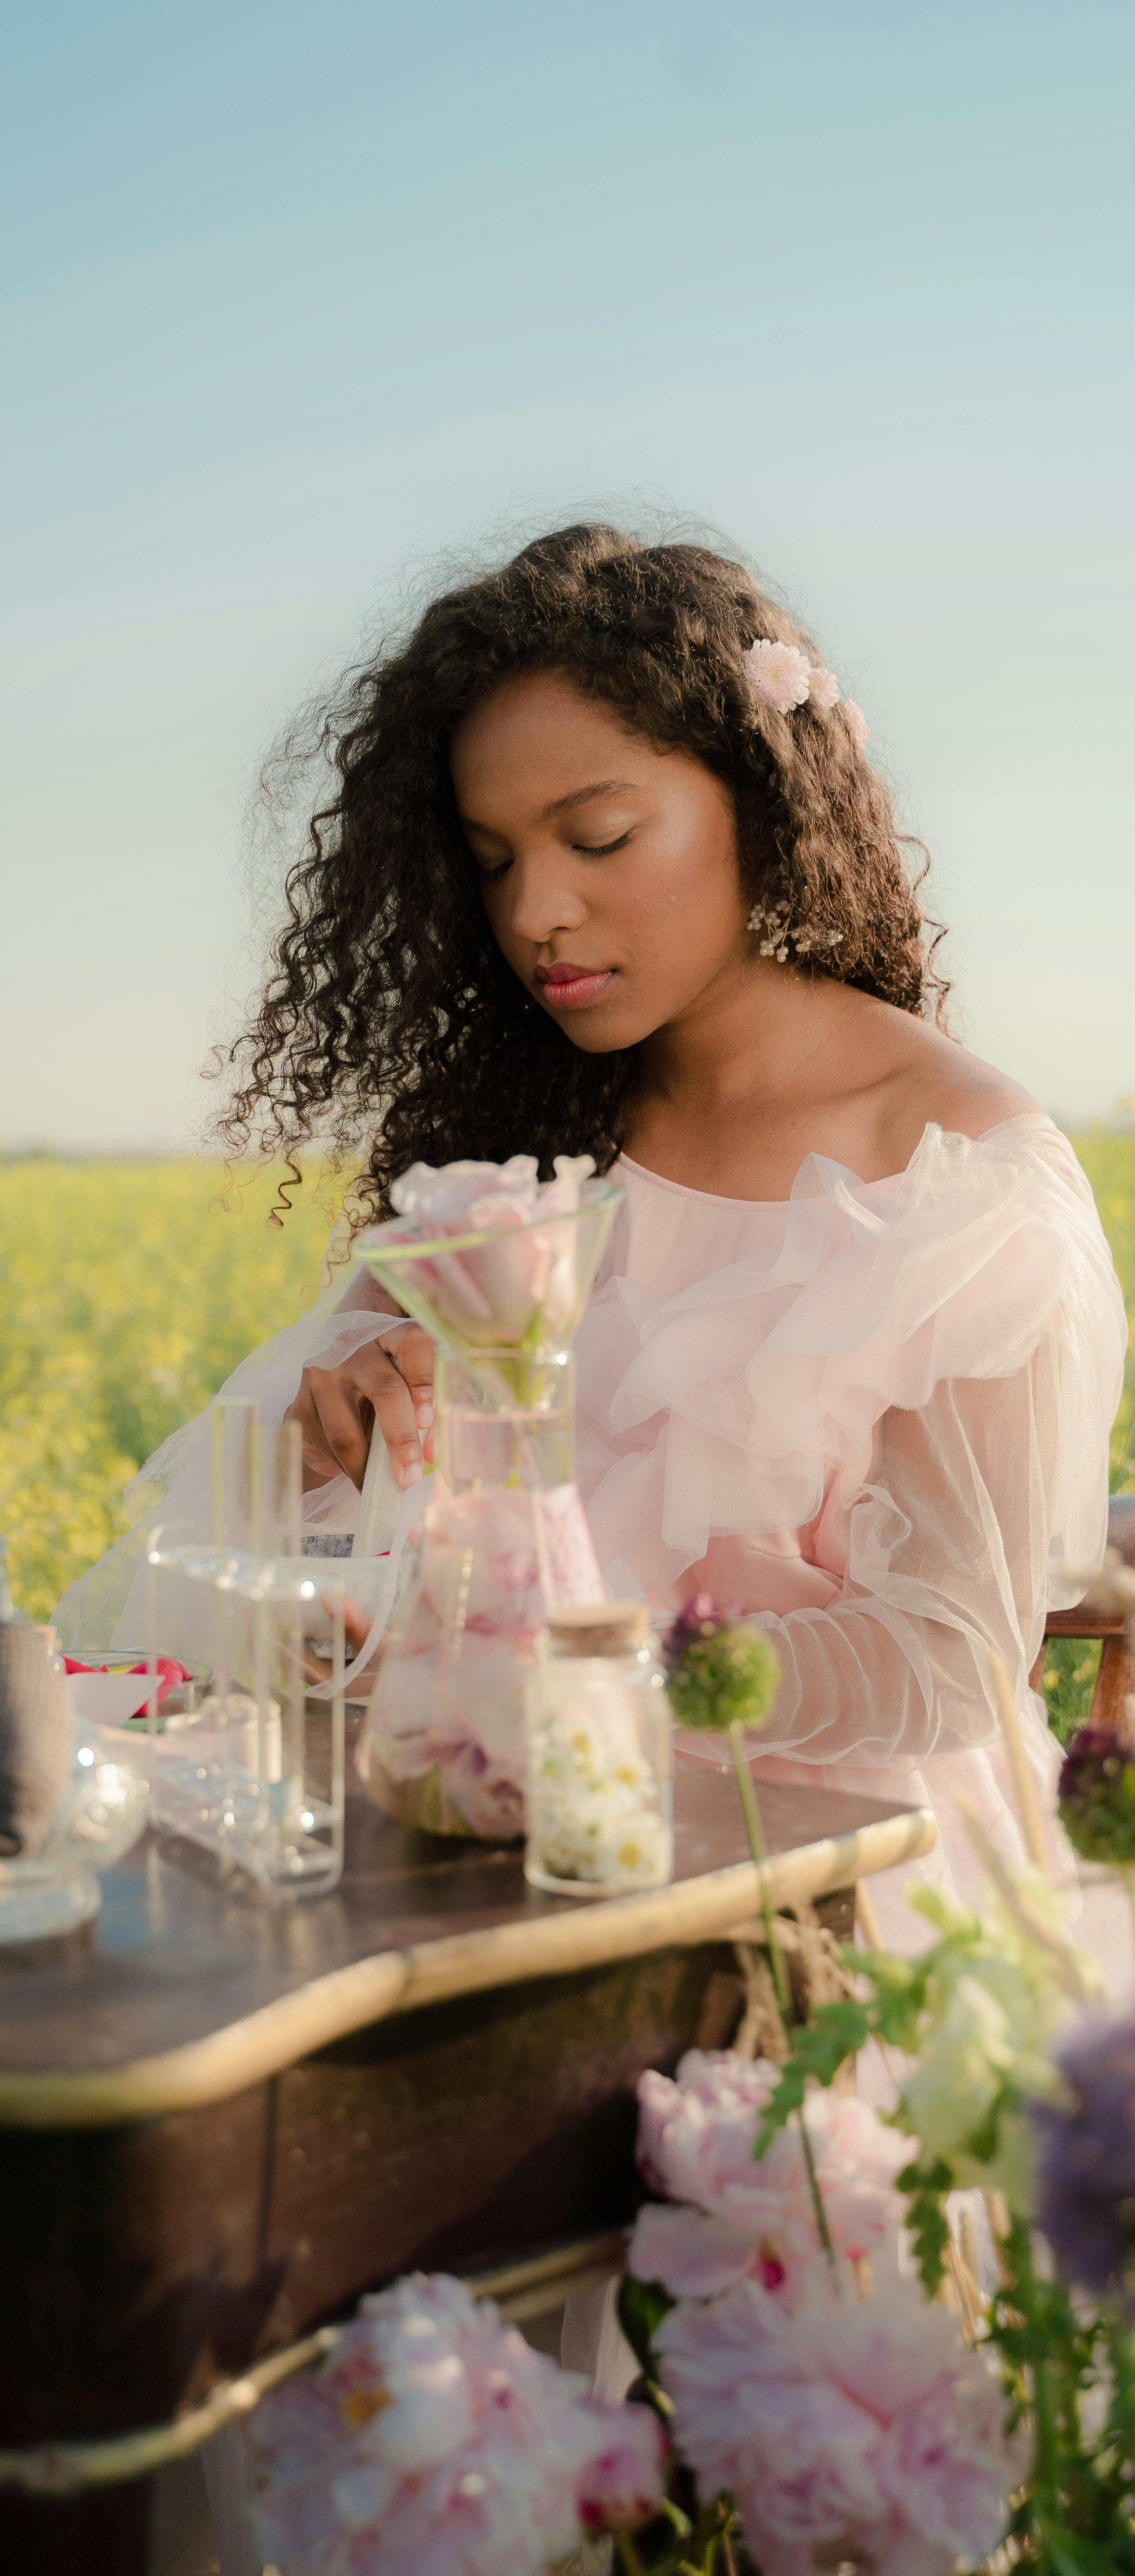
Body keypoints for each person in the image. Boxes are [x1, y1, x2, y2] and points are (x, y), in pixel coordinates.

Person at [57, 521, 1128, 1942]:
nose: (536, 914)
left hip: (816, 1894)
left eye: (599, 836)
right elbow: (353, 1563)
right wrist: (351, 1440)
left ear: (758, 794)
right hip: (486, 1844)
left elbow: (943, 1661)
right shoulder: (522, 1136)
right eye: (492, 860)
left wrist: (589, 1674)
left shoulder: (951, 1176)